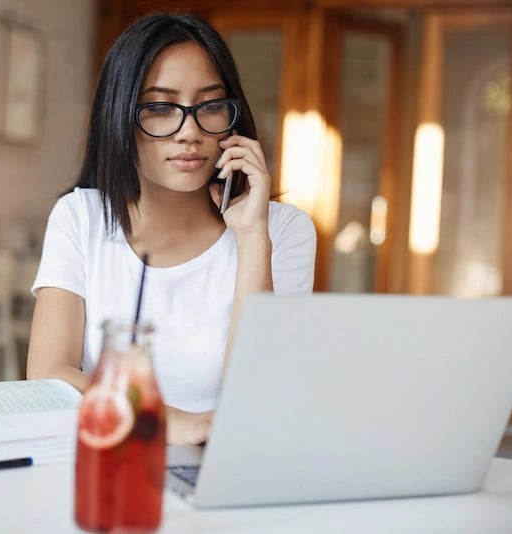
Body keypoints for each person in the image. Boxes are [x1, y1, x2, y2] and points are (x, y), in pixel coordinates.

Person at [26, 12, 316, 445]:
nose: (190, 131)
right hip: (108, 458)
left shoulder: (282, 230)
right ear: (120, 115)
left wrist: (252, 238)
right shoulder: (81, 217)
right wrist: (168, 421)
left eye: (211, 106)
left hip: (226, 462)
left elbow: (259, 397)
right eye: (160, 108)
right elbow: (48, 374)